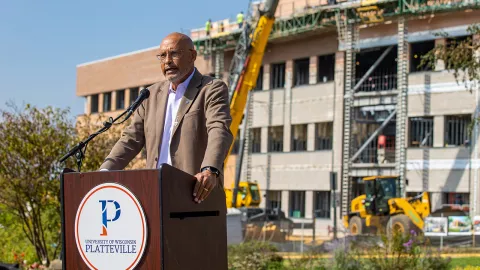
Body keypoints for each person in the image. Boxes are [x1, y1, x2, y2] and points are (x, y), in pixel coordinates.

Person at [99, 32, 233, 203]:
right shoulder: (150, 94)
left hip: (195, 194)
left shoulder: (211, 88)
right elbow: (130, 139)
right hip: (154, 194)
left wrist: (210, 170)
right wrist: (104, 173)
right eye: (162, 56)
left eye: (174, 53)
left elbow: (219, 129)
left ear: (192, 56)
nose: (168, 61)